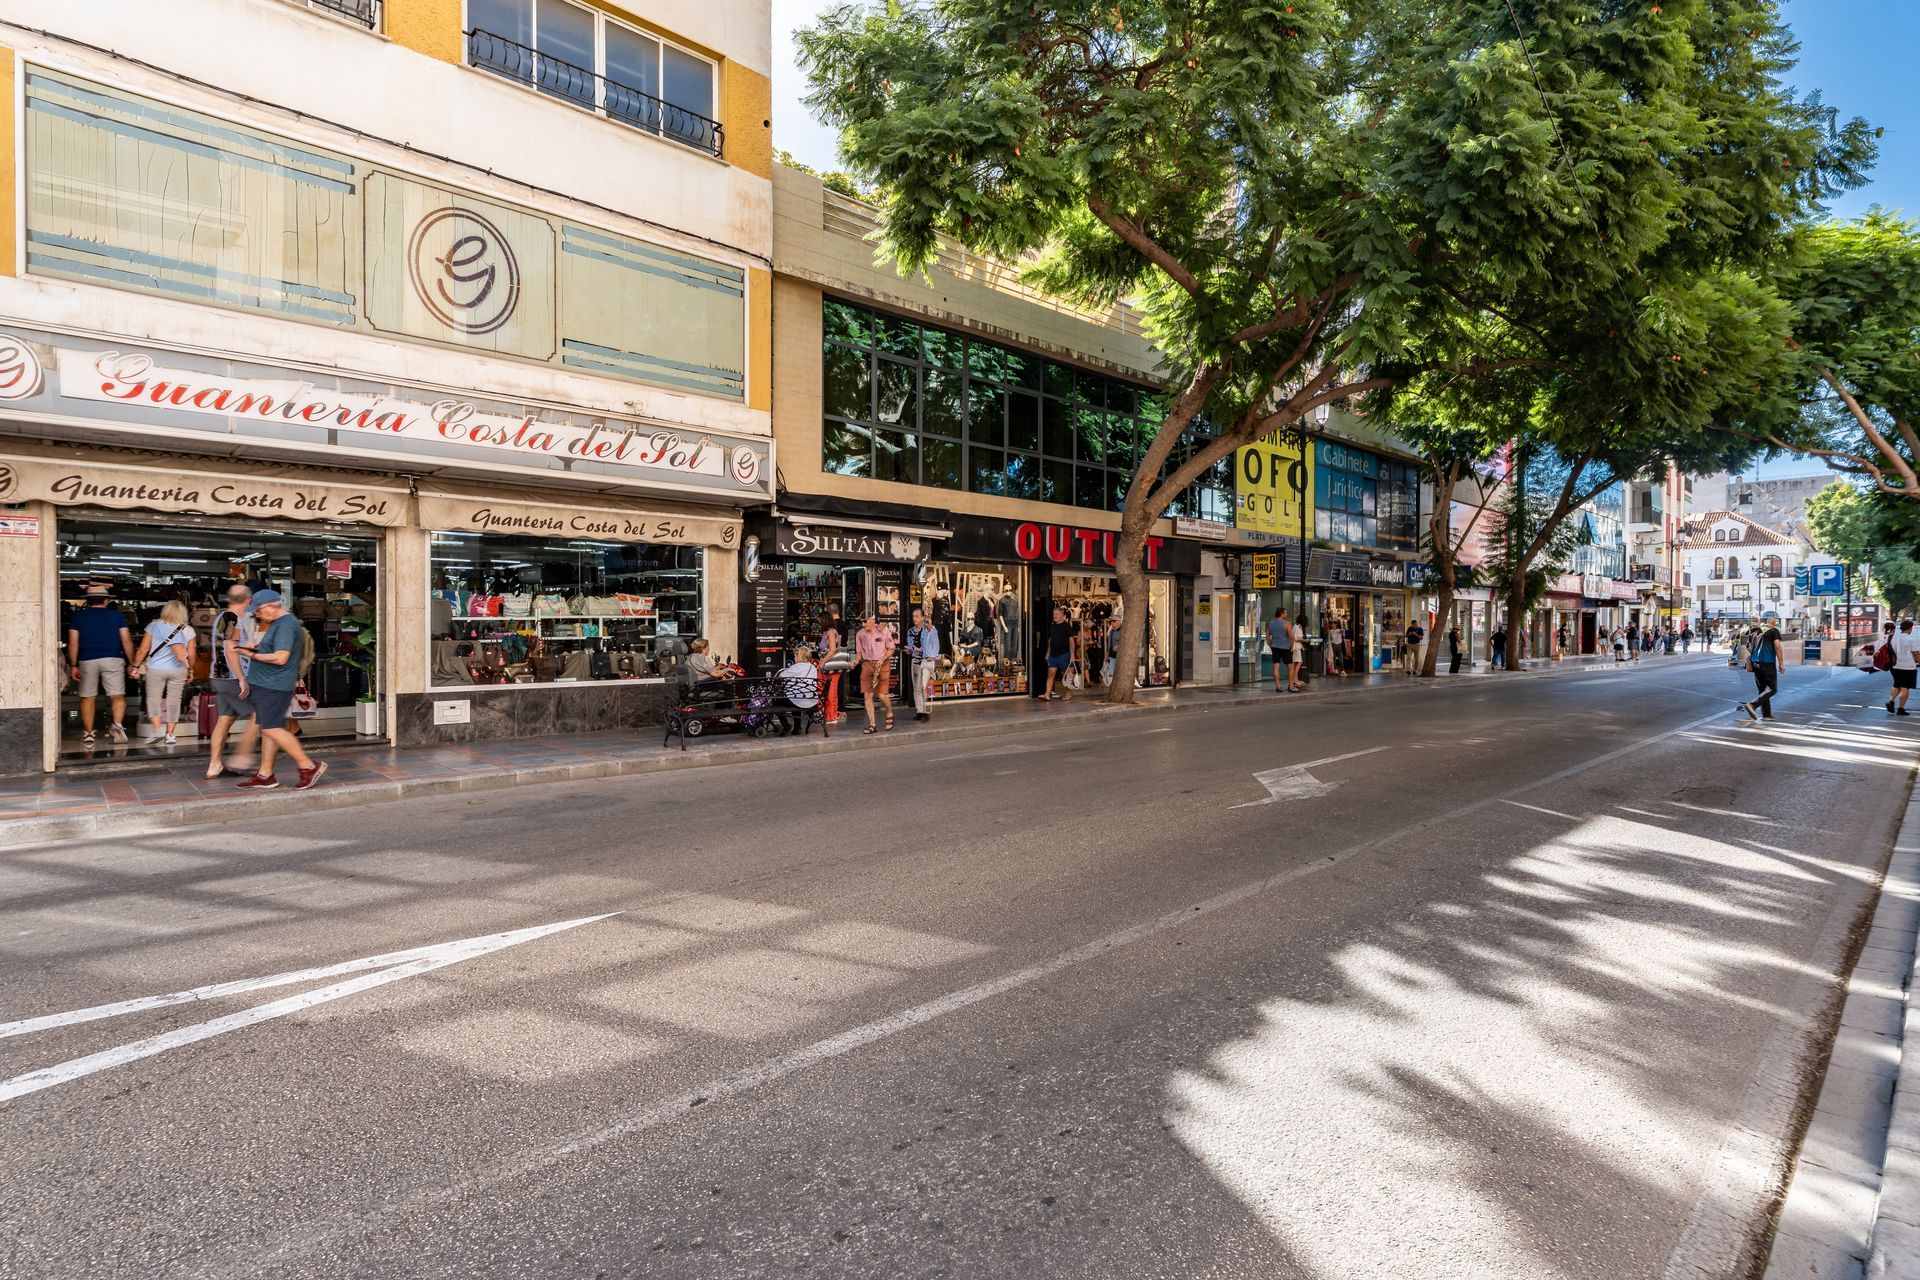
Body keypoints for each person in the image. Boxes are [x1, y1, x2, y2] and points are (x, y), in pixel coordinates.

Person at [232, 590, 326, 790]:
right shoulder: (276, 623)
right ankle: (265, 775)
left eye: (258, 610)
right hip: (266, 684)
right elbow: (272, 651)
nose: (257, 614)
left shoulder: (285, 624)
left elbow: (281, 657)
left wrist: (250, 654)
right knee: (269, 730)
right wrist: (256, 647)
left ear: (272, 606)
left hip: (274, 685)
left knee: (272, 729)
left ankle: (309, 766)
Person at [66, 583, 135, 745]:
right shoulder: (117, 616)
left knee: (88, 696)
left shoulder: (78, 618)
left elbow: (73, 643)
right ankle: (117, 724)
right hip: (113, 658)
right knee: (117, 695)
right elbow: (126, 640)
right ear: (106, 600)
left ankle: (88, 733)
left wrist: (74, 664)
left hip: (87, 659)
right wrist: (133, 662)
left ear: (88, 601)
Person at [206, 583, 261, 780]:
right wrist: (241, 678)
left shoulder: (222, 617)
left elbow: (231, 646)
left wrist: (248, 645)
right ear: (248, 600)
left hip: (219, 676)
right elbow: (230, 650)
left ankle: (214, 765)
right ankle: (242, 758)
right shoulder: (232, 618)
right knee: (259, 714)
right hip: (230, 677)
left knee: (225, 720)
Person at [130, 599, 195, 745]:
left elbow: (143, 649)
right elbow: (191, 654)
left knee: (153, 698)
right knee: (174, 700)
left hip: (156, 669)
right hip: (179, 669)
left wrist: (135, 666)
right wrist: (191, 669)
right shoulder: (188, 630)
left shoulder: (154, 625)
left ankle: (155, 727)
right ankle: (170, 734)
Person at [1739, 613, 1784, 724]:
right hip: (1767, 662)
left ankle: (1767, 715)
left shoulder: (1755, 631)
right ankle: (1752, 705)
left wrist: (1756, 654)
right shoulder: (1773, 631)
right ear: (1773, 623)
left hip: (1755, 663)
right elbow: (1777, 646)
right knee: (1772, 689)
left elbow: (1748, 647)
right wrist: (1781, 664)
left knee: (1763, 689)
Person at [855, 613, 897, 732]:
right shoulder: (860, 634)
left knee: (882, 695)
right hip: (867, 664)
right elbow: (859, 653)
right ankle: (872, 724)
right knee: (867, 695)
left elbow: (891, 648)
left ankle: (889, 713)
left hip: (882, 664)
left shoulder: (883, 631)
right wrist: (855, 661)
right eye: (861, 622)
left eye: (865, 621)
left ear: (872, 620)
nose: (863, 624)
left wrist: (883, 658)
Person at [905, 606, 940, 722]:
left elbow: (934, 645)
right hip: (915, 660)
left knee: (923, 686)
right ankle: (919, 711)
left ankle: (925, 710)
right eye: (913, 616)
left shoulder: (929, 630)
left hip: (926, 661)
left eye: (917, 616)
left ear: (922, 617)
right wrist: (909, 649)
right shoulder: (911, 631)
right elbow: (910, 647)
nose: (915, 619)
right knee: (916, 687)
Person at [816, 604, 848, 725]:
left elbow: (833, 649)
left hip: (830, 665)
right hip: (829, 665)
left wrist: (822, 662)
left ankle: (831, 715)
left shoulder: (830, 632)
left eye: (820, 620)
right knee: (827, 689)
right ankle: (827, 714)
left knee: (831, 690)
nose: (818, 622)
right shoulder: (828, 632)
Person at [1887, 618, 1920, 717]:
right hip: (1908, 667)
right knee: (1905, 687)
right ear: (1911, 628)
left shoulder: (1894, 638)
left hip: (1895, 666)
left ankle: (1891, 702)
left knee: (1897, 685)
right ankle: (1901, 708)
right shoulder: (1911, 639)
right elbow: (1916, 653)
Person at [1043, 605, 1074, 702]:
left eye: (1056, 614)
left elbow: (1071, 641)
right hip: (1053, 655)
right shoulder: (1052, 626)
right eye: (1053, 614)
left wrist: (1072, 655)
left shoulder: (1067, 626)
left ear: (1062, 615)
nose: (1054, 616)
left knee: (1065, 675)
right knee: (1050, 674)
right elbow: (1050, 640)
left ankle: (1068, 693)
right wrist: (1048, 653)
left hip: (1064, 655)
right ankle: (1047, 693)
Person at [1268, 608, 1292, 693]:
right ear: (1282, 613)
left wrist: (1271, 646)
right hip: (1285, 647)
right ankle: (1291, 686)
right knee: (1290, 667)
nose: (1286, 614)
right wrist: (1291, 647)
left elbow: (1268, 638)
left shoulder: (1270, 623)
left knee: (1276, 667)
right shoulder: (1287, 624)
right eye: (1285, 612)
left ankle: (1278, 686)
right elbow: (1291, 637)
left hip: (1275, 647)